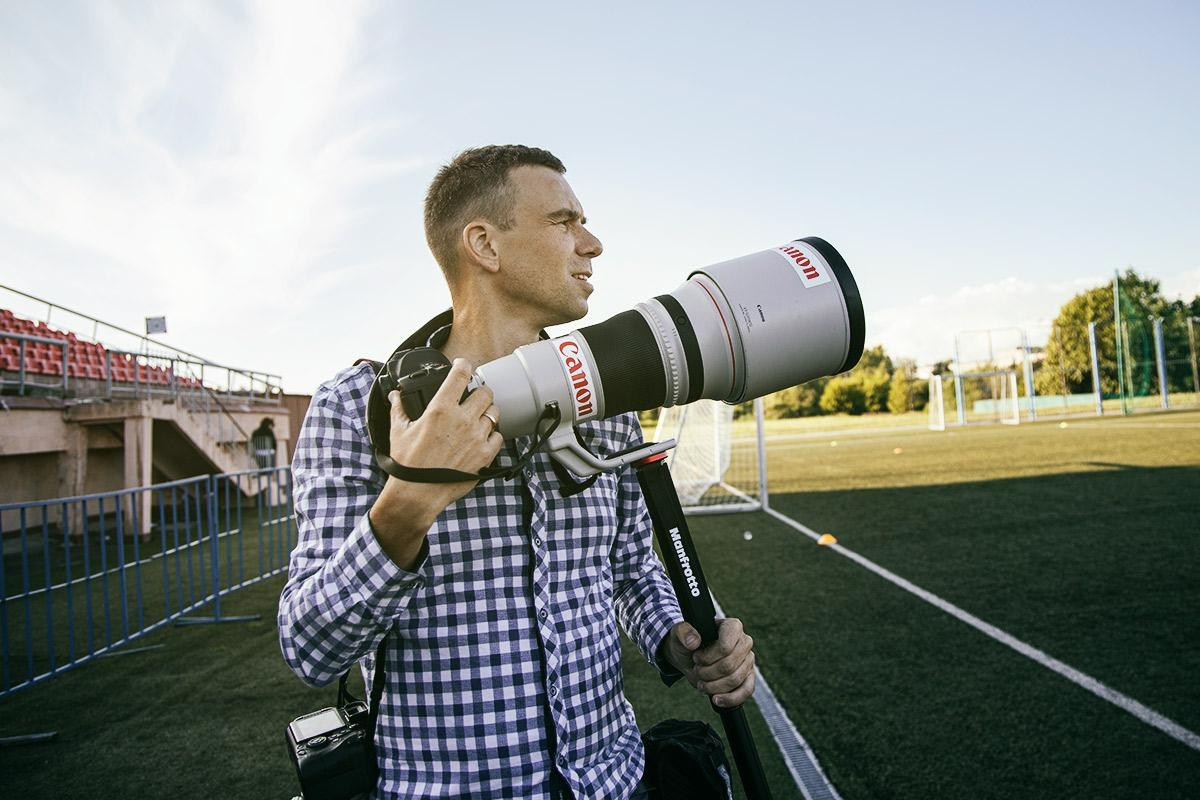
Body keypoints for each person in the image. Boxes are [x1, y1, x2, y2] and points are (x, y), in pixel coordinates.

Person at [278, 145, 757, 799]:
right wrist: (411, 500)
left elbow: (631, 571)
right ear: (485, 244)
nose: (592, 243)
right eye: (564, 222)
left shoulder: (607, 399)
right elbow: (311, 648)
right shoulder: (359, 405)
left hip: (616, 784)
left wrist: (681, 639)